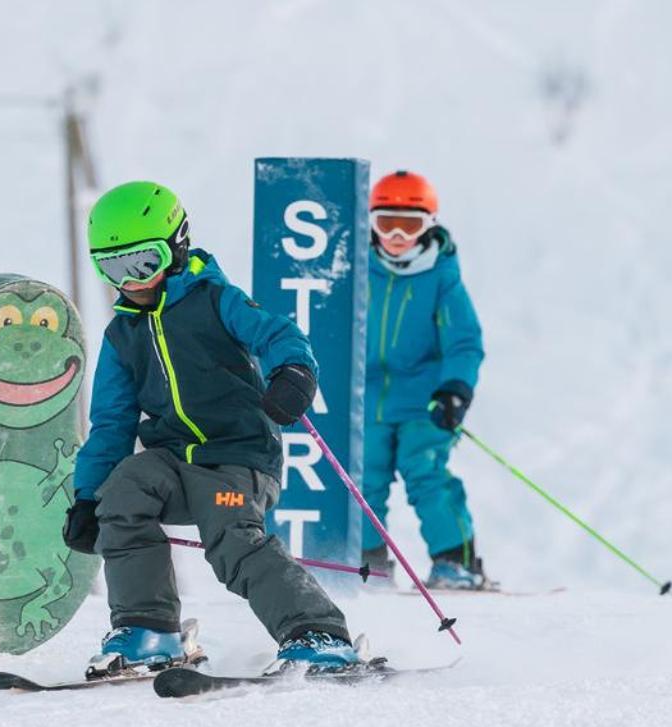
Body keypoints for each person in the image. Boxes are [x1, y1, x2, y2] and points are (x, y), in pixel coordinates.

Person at [61, 180, 358, 675]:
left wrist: (294, 373)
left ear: (176, 247)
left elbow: (281, 335)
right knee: (124, 490)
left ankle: (318, 632)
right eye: (112, 268)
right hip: (173, 461)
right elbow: (111, 421)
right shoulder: (122, 335)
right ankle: (148, 629)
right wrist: (89, 496)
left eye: (142, 264)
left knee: (233, 541)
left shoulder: (216, 300)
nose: (130, 281)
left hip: (238, 458)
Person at [362, 169, 489, 589]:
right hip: (364, 398)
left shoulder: (441, 276)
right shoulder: (357, 269)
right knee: (363, 476)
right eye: (386, 222)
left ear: (429, 225)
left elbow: (464, 342)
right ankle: (367, 561)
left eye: (411, 224)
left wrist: (455, 389)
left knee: (425, 470)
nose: (398, 235)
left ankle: (456, 560)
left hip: (424, 399)